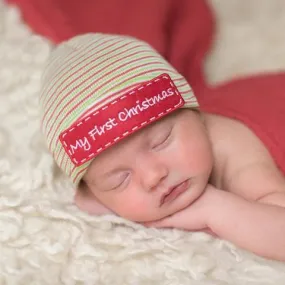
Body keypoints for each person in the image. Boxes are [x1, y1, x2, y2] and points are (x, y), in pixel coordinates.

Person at [40, 33, 285, 262]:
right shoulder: (98, 192)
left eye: (162, 141)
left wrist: (214, 208)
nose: (153, 176)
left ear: (196, 115)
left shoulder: (233, 151)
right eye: (120, 179)